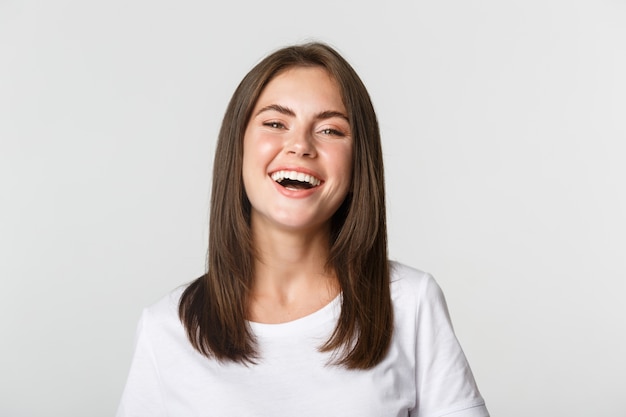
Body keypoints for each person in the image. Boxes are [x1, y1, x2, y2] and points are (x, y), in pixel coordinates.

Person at [116, 42, 489, 417]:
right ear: (238, 148)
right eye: (276, 123)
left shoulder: (410, 303)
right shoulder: (165, 328)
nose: (300, 146)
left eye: (330, 130)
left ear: (359, 164)